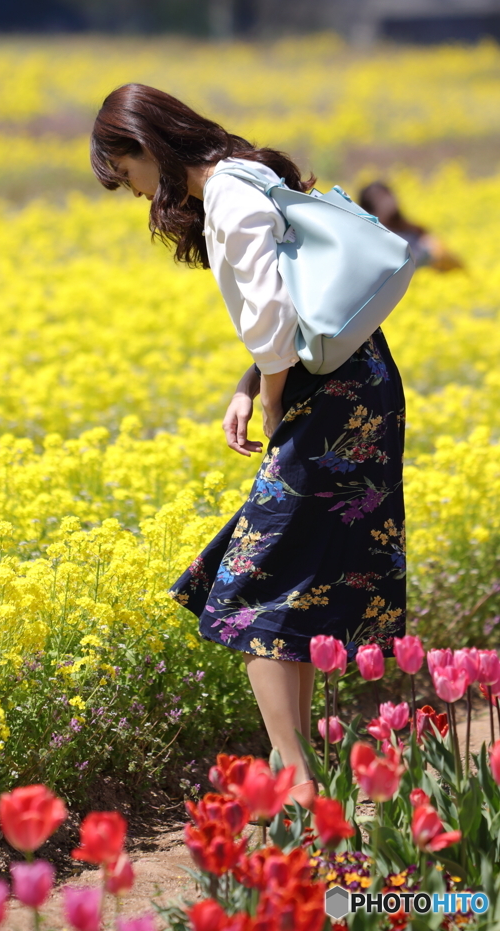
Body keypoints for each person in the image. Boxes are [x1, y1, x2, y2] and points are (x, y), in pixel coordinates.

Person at [90, 84, 406, 811]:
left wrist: (269, 397)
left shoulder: (228, 193)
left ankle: (292, 774)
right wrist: (249, 382)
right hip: (356, 379)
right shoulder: (248, 173)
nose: (136, 194)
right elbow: (301, 300)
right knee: (291, 578)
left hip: (323, 397)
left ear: (146, 145)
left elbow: (272, 313)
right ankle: (297, 766)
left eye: (127, 174)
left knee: (250, 585)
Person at [358, 181, 463, 272]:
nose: (388, 202)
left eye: (387, 195)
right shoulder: (372, 241)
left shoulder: (412, 229)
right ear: (369, 210)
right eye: (380, 200)